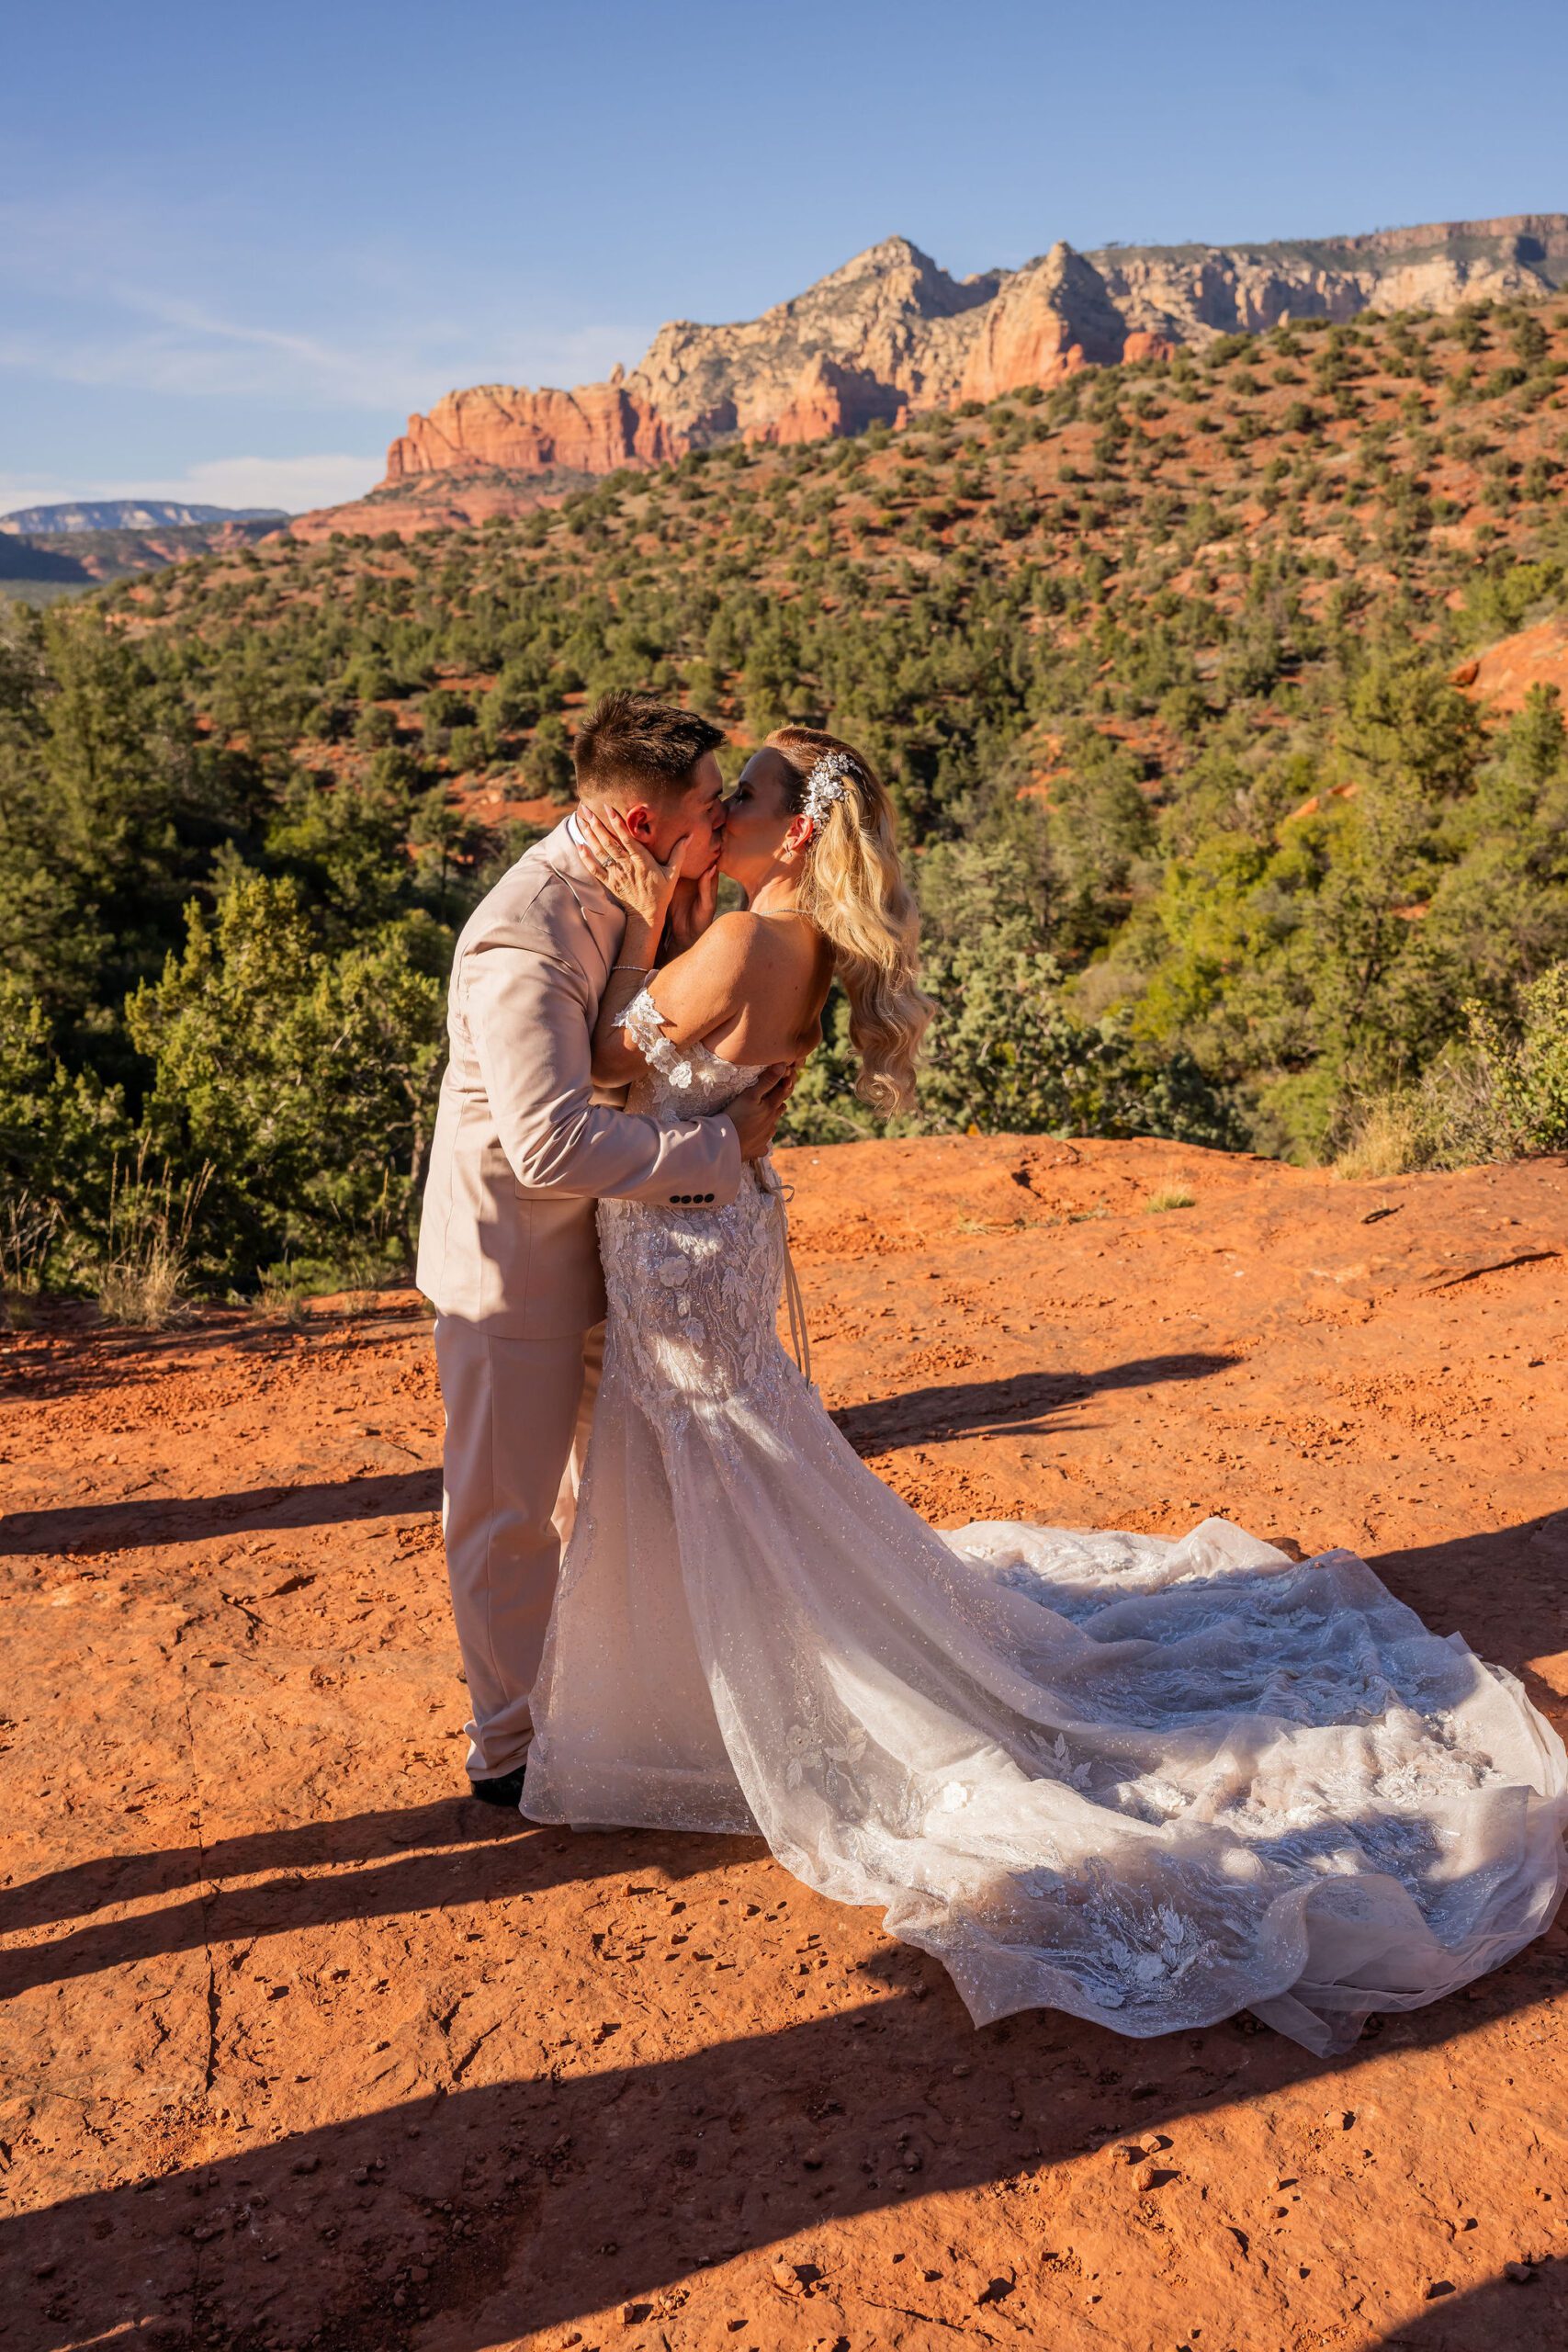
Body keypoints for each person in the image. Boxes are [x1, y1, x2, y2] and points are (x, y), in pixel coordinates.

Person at [523, 723, 1568, 2053]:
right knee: (741, 1447)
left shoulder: (734, 942)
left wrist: (629, 907)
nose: (721, 805)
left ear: (797, 829)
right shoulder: (800, 943)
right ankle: (725, 1672)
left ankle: (750, 1693)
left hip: (679, 1241)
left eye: (748, 793)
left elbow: (596, 1065)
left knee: (719, 1450)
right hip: (715, 1226)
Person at [415, 693, 793, 1806]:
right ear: (641, 822)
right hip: (513, 1267)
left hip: (620, 1250)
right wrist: (720, 1149)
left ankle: (603, 1712)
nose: (721, 817)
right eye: (709, 803)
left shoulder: (647, 886)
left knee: (609, 1498)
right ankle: (509, 1749)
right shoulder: (522, 934)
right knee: (507, 1513)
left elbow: (631, 1050)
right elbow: (547, 1143)